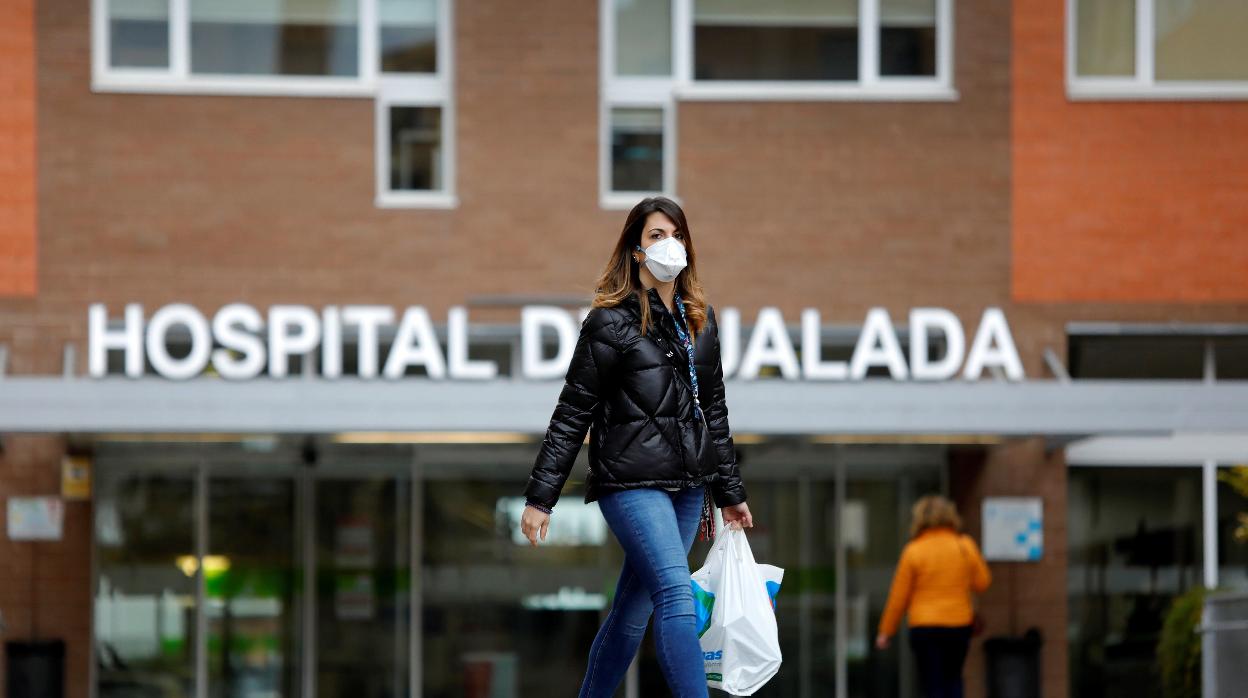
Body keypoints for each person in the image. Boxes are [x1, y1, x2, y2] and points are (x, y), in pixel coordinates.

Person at [519, 195, 754, 698]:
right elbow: (572, 411)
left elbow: (713, 412)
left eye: (677, 234)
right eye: (655, 235)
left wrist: (730, 492)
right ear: (636, 251)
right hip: (630, 481)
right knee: (675, 594)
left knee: (633, 610)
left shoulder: (701, 321)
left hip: (689, 486)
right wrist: (541, 497)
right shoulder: (609, 322)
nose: (669, 244)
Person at [875, 494, 991, 698]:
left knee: (931, 682)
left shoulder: (914, 551)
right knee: (953, 678)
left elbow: (899, 596)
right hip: (958, 624)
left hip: (924, 626)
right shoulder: (964, 546)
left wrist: (886, 631)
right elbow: (983, 582)